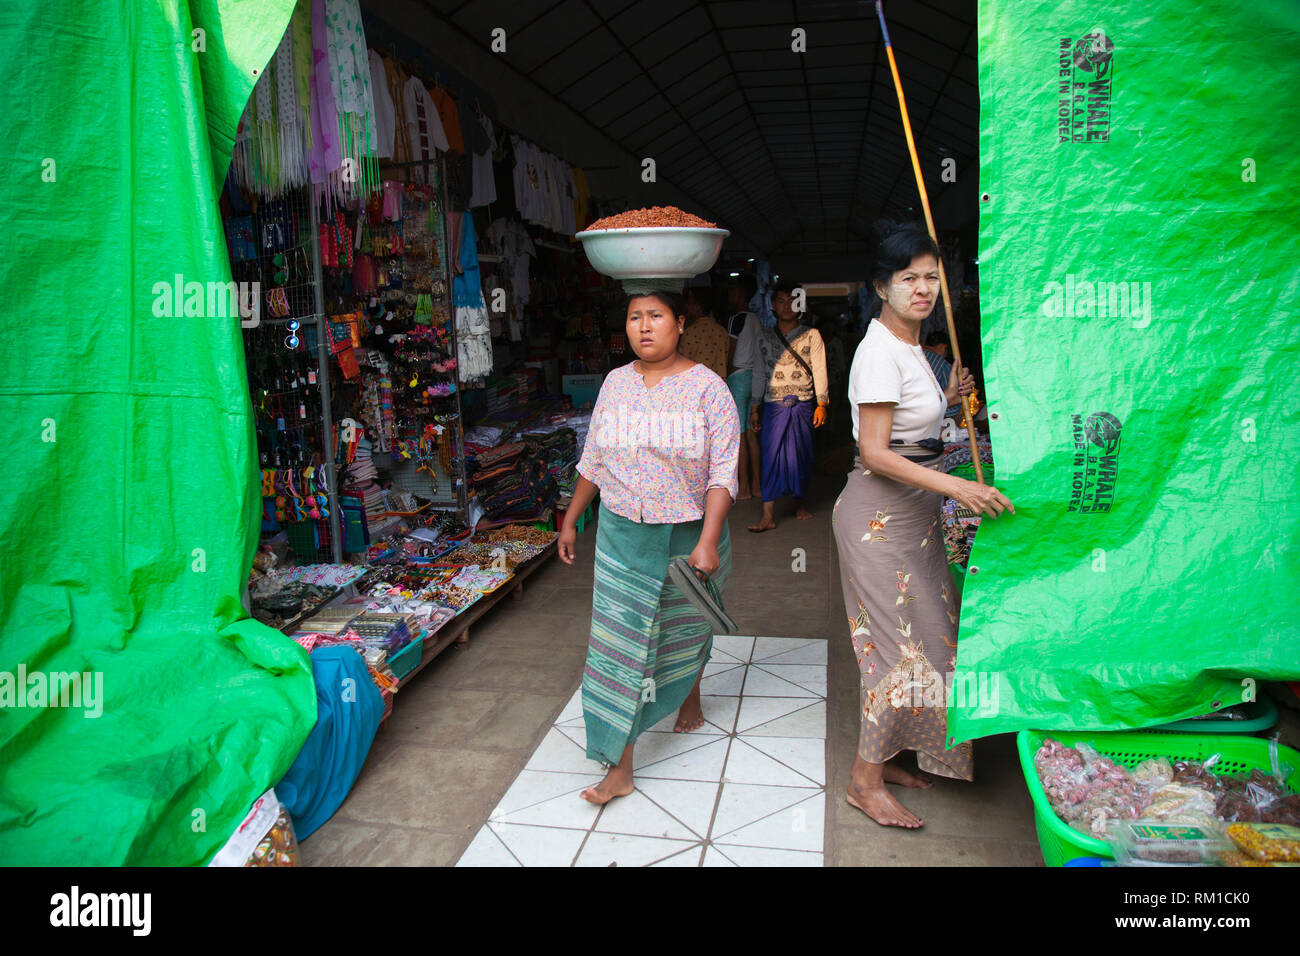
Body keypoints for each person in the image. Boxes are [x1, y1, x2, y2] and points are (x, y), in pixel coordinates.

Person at [832, 225, 1014, 828]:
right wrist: (963, 487)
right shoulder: (877, 349)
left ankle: (889, 756)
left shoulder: (913, 349)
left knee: (935, 641)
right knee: (894, 653)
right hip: (877, 520)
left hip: (916, 518)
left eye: (932, 276)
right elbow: (878, 450)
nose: (923, 288)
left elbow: (919, 427)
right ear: (881, 286)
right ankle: (863, 781)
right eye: (908, 277)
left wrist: (948, 393)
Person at [558, 288, 739, 805]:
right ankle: (619, 766)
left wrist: (708, 542)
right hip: (622, 535)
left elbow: (724, 472)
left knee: (684, 628)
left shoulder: (709, 389)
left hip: (689, 534)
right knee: (620, 647)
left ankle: (688, 693)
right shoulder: (615, 384)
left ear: (680, 323)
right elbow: (594, 460)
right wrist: (571, 520)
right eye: (635, 317)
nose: (644, 326)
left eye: (655, 316)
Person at [747, 279, 829, 532]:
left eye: (792, 301)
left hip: (803, 405)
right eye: (781, 301)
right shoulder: (763, 338)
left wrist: (822, 403)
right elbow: (759, 373)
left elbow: (819, 369)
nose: (786, 306)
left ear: (800, 304)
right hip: (773, 406)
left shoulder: (812, 335)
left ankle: (799, 503)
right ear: (772, 304)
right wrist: (754, 406)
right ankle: (767, 516)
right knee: (770, 458)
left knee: (800, 458)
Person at [725, 276, 761, 498]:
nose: (730, 296)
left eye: (732, 292)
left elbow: (730, 351)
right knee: (750, 434)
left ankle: (744, 488)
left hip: (737, 377)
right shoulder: (757, 319)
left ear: (740, 295)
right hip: (754, 377)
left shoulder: (736, 319)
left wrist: (724, 373)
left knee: (738, 436)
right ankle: (757, 486)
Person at [678, 285, 729, 380]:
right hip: (718, 388)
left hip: (696, 389)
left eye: (689, 303)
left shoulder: (690, 333)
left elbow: (680, 366)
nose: (687, 307)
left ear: (698, 307)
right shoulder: (721, 331)